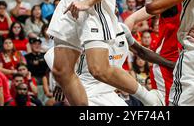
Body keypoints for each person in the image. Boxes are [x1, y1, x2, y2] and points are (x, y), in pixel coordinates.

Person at [45, 23, 174, 106]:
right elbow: (55, 55)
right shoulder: (84, 31)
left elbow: (141, 51)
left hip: (110, 92)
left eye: (114, 6)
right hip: (87, 92)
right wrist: (60, 83)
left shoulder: (122, 29)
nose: (113, 8)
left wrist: (171, 64)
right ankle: (149, 99)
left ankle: (149, 99)